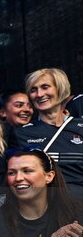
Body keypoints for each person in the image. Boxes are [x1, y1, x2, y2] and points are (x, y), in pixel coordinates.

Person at [13, 68, 83, 198]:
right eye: (33, 90)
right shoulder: (21, 133)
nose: (39, 94)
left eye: (45, 87)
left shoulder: (79, 126)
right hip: (46, 204)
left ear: (60, 89)